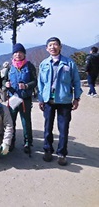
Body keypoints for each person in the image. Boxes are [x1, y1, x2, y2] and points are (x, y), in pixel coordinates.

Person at [38, 37, 82, 166]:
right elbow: (41, 83)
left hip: (64, 101)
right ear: (47, 48)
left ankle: (62, 153)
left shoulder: (69, 63)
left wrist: (77, 98)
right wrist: (41, 98)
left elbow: (76, 81)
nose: (53, 47)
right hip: (48, 100)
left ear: (60, 47)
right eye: (50, 45)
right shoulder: (44, 64)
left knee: (63, 129)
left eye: (55, 45)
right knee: (47, 128)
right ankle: (47, 150)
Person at [4, 43, 37, 153]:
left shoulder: (29, 66)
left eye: (20, 52)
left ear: (24, 54)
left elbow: (35, 81)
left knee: (26, 121)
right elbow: (3, 80)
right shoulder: (9, 67)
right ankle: (11, 141)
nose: (18, 54)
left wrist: (26, 86)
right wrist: (6, 84)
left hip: (25, 99)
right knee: (11, 121)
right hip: (12, 98)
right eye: (16, 52)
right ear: (13, 55)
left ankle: (27, 142)